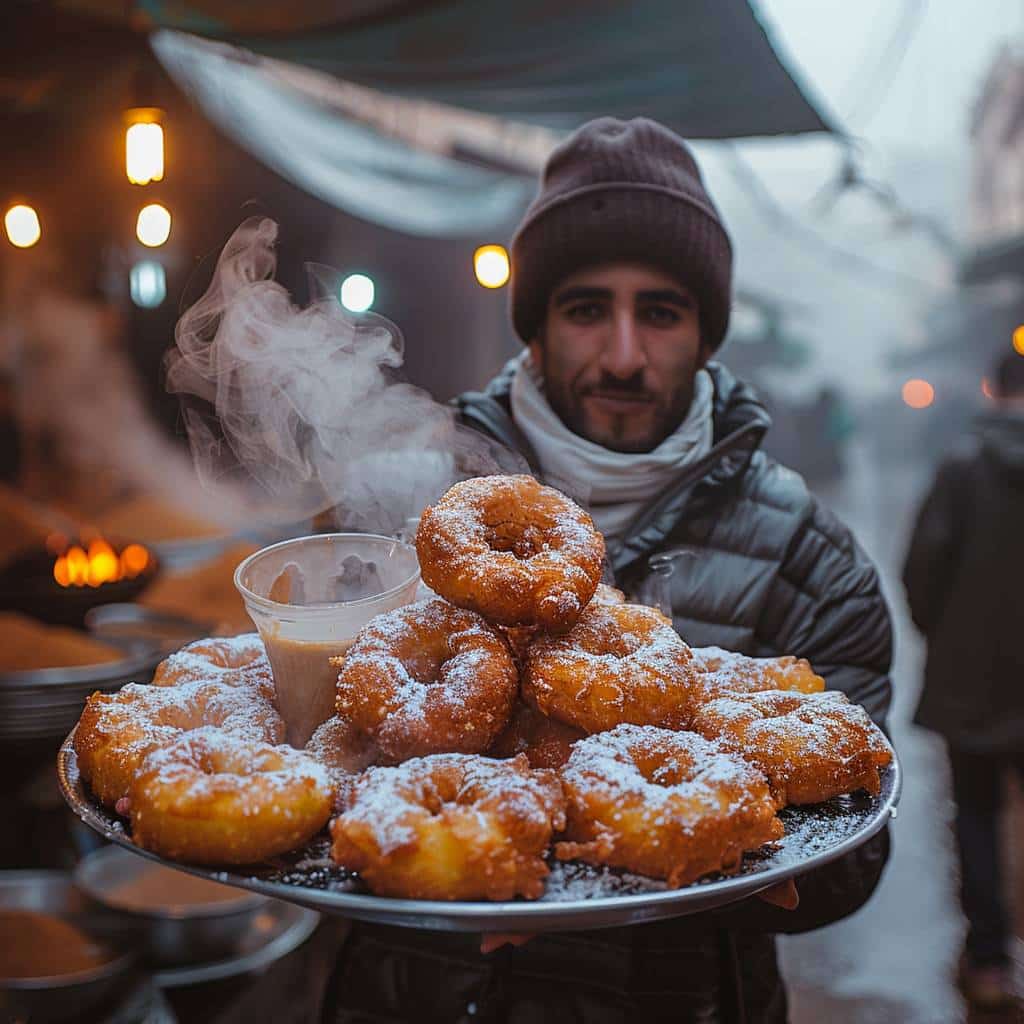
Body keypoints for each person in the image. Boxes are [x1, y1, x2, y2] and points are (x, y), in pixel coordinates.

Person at [322, 117, 893, 1023]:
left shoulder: (810, 558)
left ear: (705, 332)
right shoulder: (398, 509)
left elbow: (852, 852)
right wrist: (443, 895)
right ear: (538, 324)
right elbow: (319, 763)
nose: (623, 354)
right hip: (418, 998)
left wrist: (717, 864)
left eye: (660, 311)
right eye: (587, 308)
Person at [903, 350, 1024, 1012]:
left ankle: (989, 962)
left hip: (971, 678)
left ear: (990, 389)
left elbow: (922, 569)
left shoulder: (961, 469)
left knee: (976, 815)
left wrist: (945, 638)